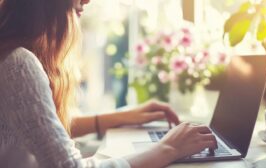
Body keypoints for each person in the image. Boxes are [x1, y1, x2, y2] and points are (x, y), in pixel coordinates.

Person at [0, 0, 217, 167]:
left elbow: (35, 125)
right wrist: (169, 148)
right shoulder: (17, 64)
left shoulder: (10, 56)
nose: (87, 0)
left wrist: (117, 118)